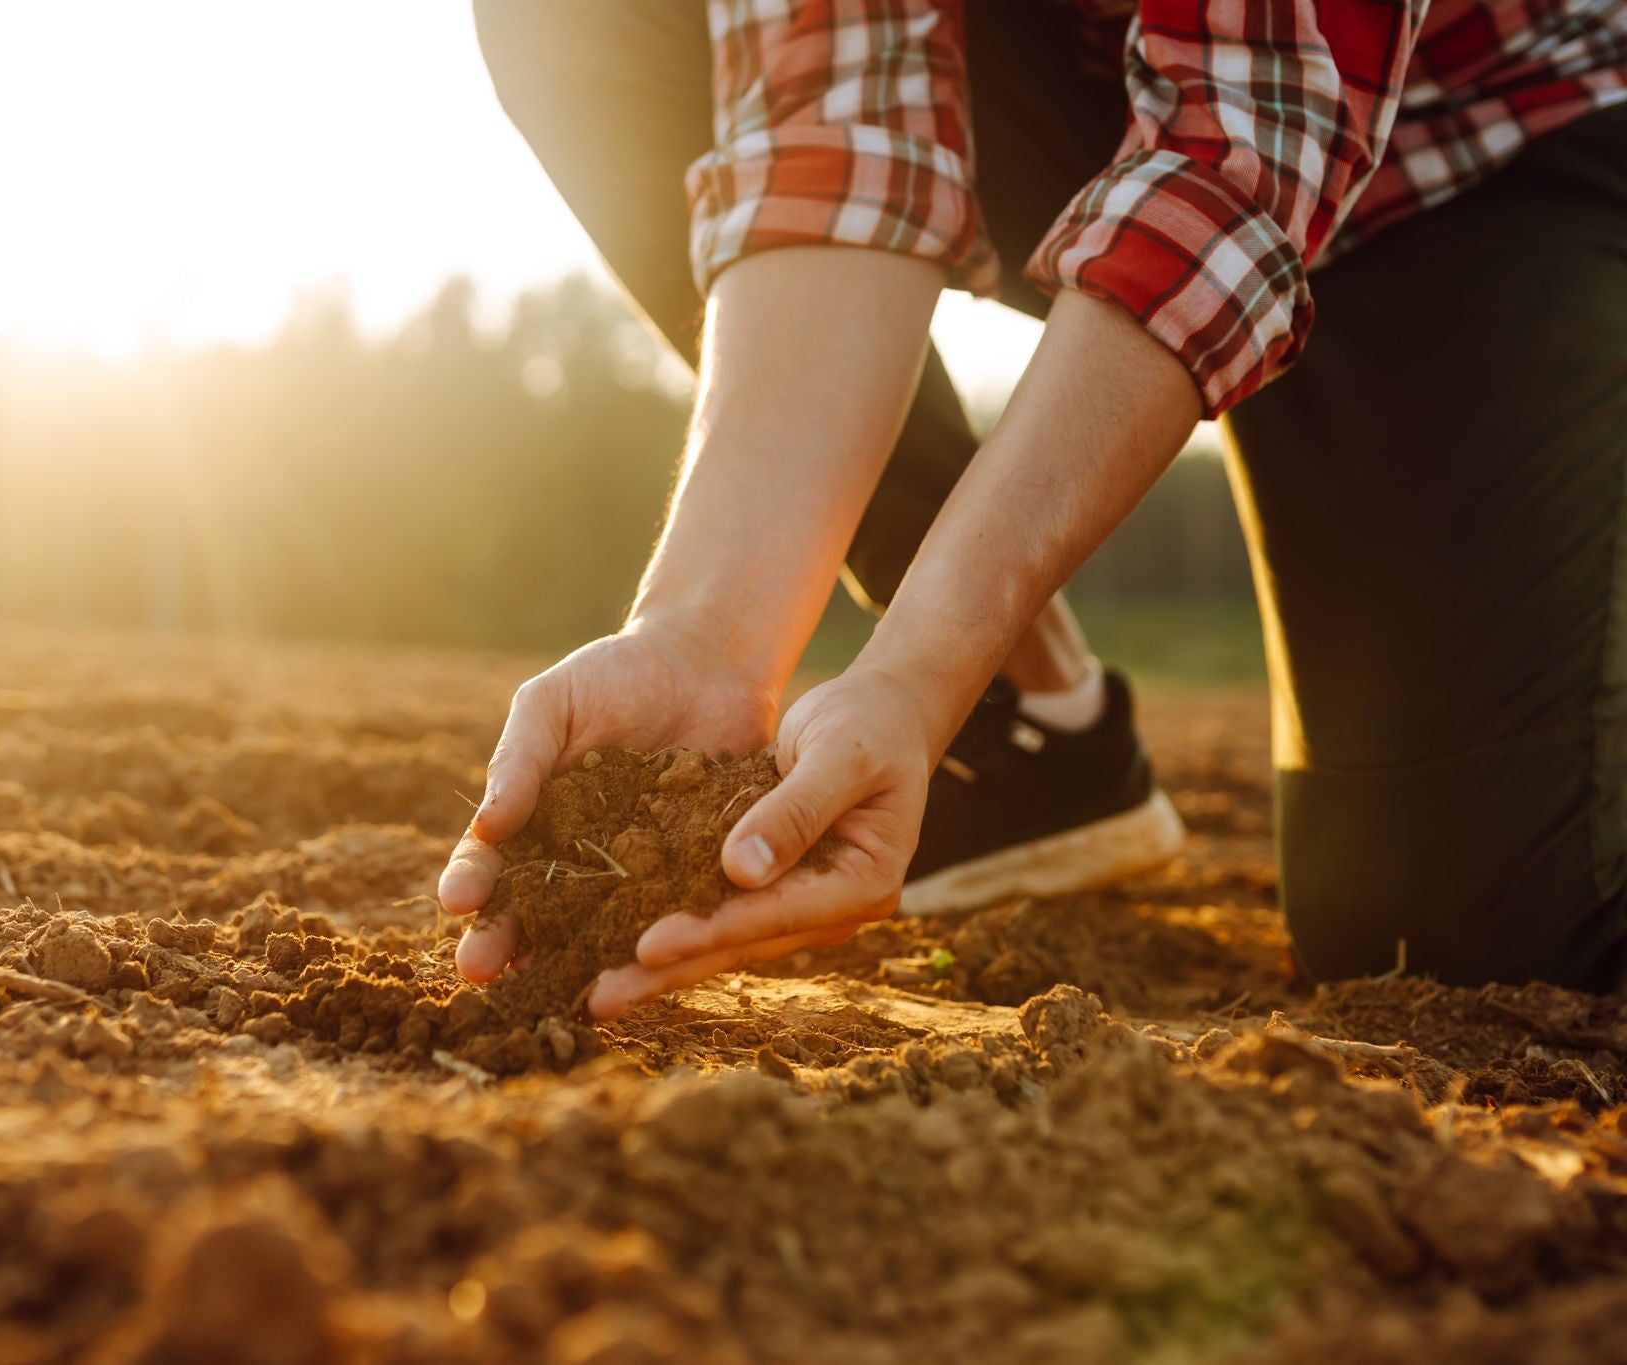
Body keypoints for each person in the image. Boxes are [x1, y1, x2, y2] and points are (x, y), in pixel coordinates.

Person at [441, 0, 1627, 1021]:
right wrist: (708, 633)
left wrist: (915, 671)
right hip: (1119, 123)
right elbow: (838, 136)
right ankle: (1018, 723)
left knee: (1469, 935)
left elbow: (1245, 143)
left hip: (1492, 163)